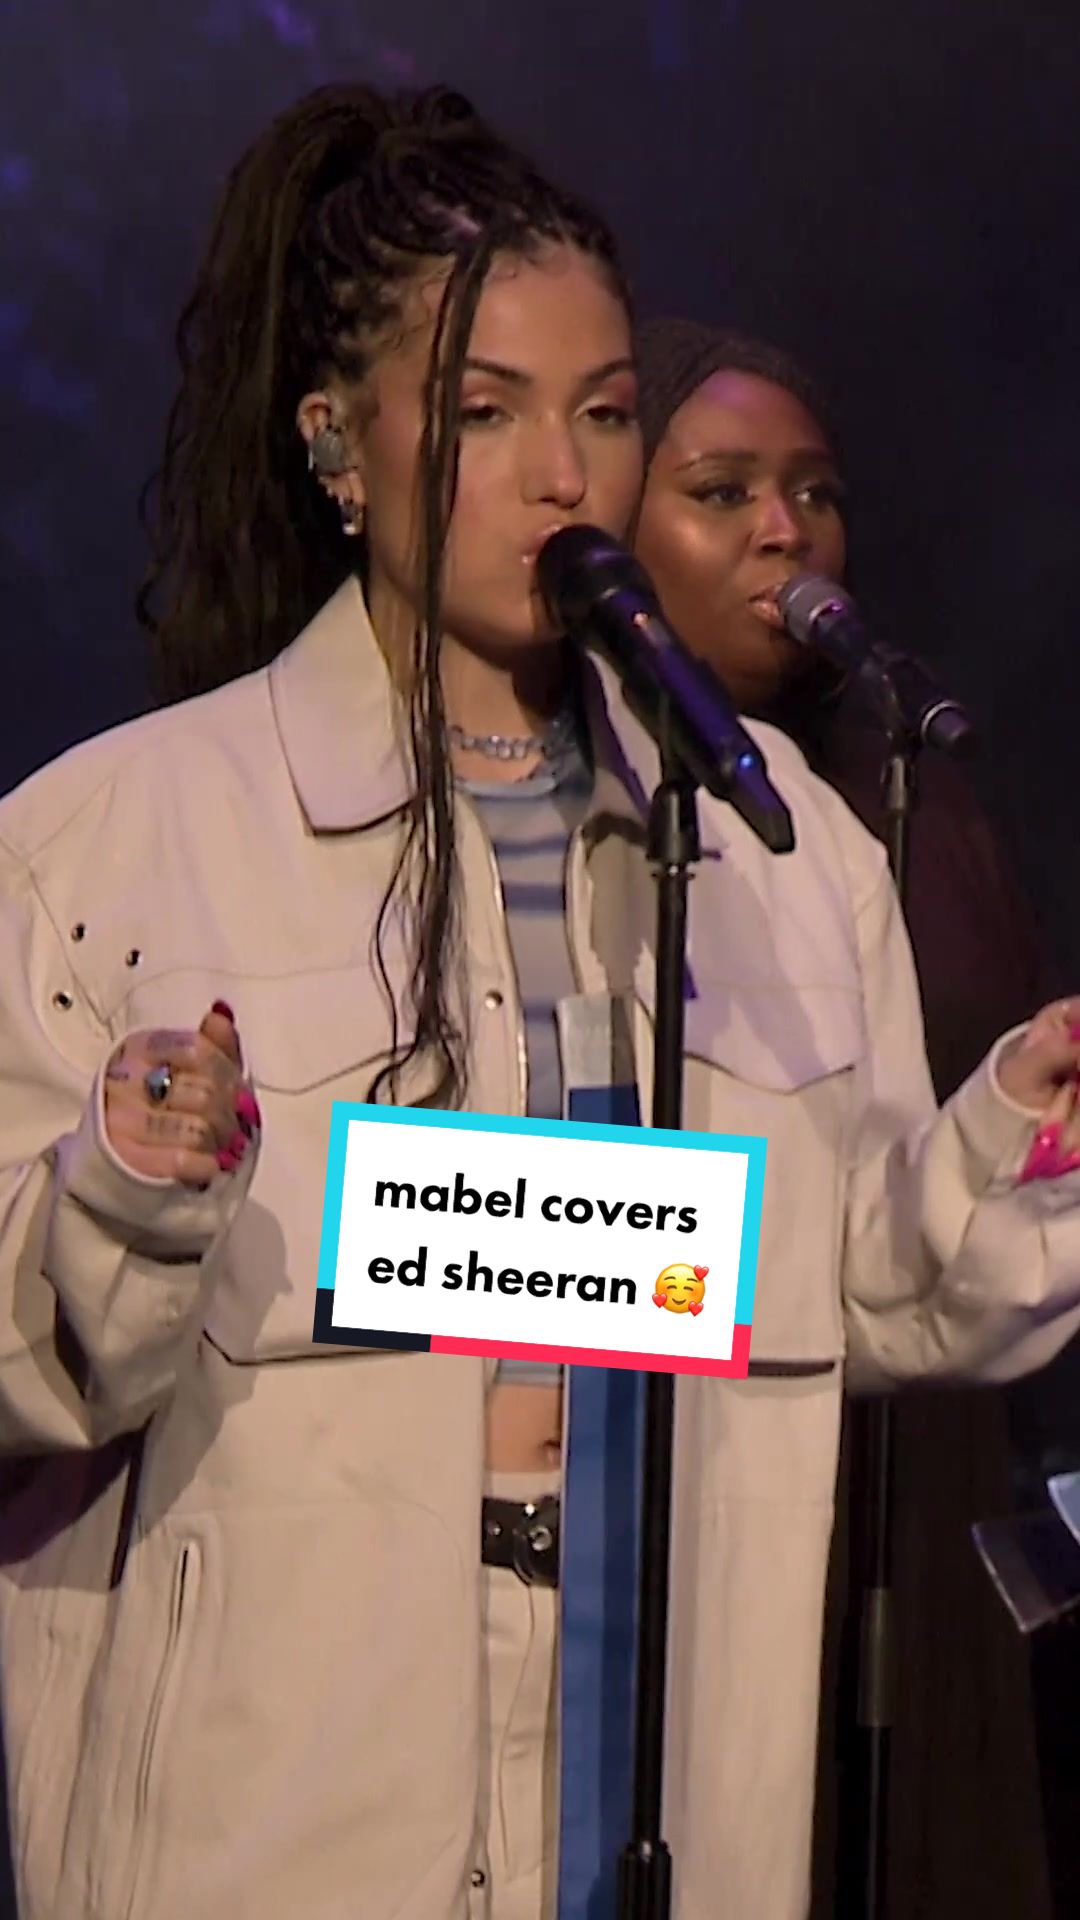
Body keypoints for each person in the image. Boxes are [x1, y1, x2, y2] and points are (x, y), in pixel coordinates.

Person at [2, 90, 1080, 1920]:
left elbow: (862, 1280)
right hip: (285, 1793)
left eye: (603, 412)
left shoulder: (778, 847)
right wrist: (127, 1187)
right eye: (487, 412)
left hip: (665, 1759)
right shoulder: (117, 841)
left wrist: (1012, 1147)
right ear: (338, 444)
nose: (564, 478)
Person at [633, 314, 1059, 1919]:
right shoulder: (588, 808)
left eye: (814, 492)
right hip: (701, 1438)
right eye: (722, 490)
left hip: (916, 1434)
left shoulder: (893, 793)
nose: (784, 529)